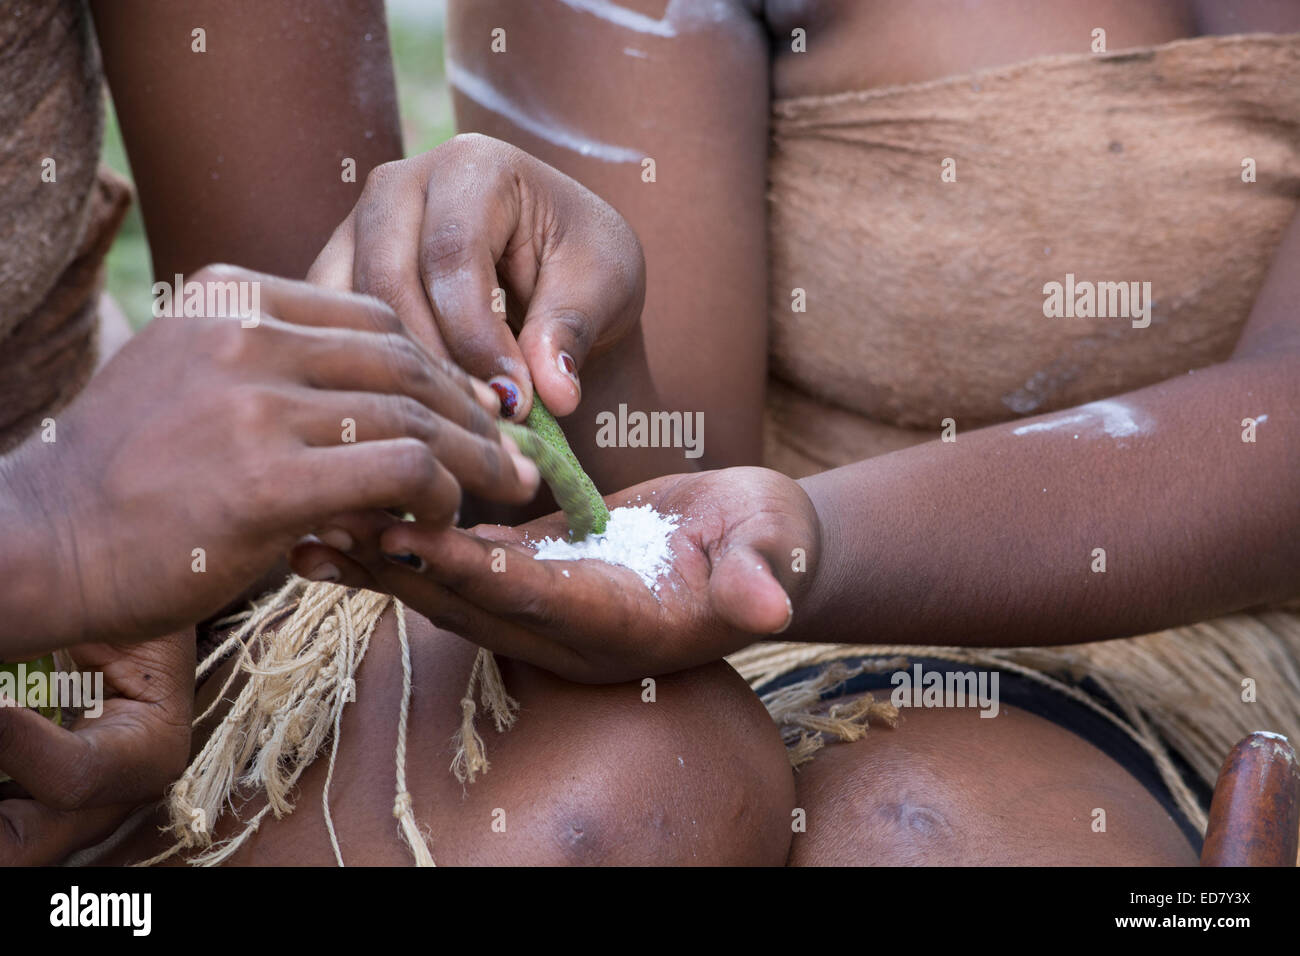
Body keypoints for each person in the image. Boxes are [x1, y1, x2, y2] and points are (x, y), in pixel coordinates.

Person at [280, 0, 1300, 865]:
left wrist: (807, 540)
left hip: (1216, 654)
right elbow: (656, 499)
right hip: (795, 651)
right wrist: (604, 340)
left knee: (912, 831)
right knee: (650, 797)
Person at [0, 1, 792, 866]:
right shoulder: (59, 519)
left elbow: (328, 433)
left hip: (100, 652)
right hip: (59, 554)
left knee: (651, 777)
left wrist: (583, 366)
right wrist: (45, 531)